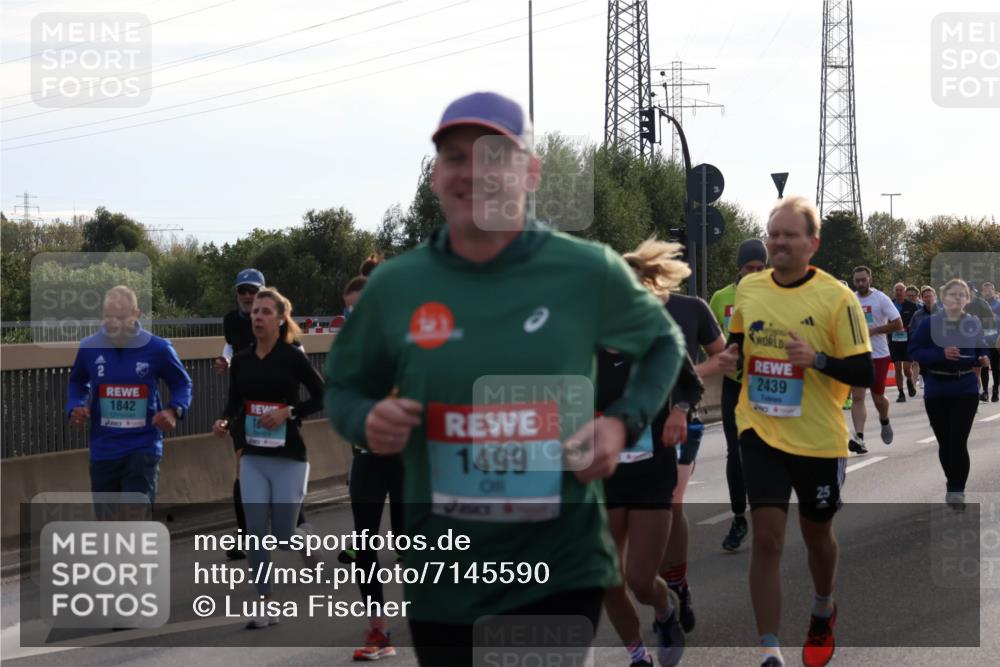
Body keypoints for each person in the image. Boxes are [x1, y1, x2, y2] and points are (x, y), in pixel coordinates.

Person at [324, 91, 686, 666]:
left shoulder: (584, 269)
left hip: (558, 563)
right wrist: (366, 418)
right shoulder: (396, 286)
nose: (472, 172)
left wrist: (622, 422)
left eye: (493, 156)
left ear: (530, 172)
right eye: (454, 157)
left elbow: (664, 343)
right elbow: (342, 387)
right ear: (437, 176)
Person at [718, 196, 873, 667]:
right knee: (767, 538)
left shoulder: (837, 298)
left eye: (789, 235)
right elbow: (738, 344)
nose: (779, 242)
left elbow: (864, 371)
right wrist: (729, 357)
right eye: (773, 234)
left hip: (818, 437)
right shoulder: (749, 290)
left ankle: (823, 608)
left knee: (817, 536)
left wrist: (817, 359)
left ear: (812, 243)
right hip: (759, 427)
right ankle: (770, 650)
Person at [601, 239, 703, 667]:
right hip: (602, 477)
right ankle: (638, 655)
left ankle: (664, 610)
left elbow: (691, 385)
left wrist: (678, 411)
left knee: (641, 580)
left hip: (650, 471)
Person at [212, 287, 324, 629]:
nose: (257, 317)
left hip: (289, 455)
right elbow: (235, 402)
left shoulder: (292, 357)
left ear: (280, 319)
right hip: (254, 456)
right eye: (255, 312)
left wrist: (289, 412)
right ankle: (265, 604)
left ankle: (306, 540)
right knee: (256, 531)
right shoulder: (242, 360)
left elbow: (322, 395)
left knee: (284, 536)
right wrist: (224, 420)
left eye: (265, 312)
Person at [67, 285, 193, 512]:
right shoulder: (89, 347)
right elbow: (77, 382)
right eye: (109, 317)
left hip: (142, 447)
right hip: (103, 450)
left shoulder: (158, 348)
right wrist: (75, 405)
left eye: (121, 317)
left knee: (133, 518)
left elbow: (182, 383)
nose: (114, 324)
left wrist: (174, 410)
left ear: (136, 314)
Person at [214, 268, 309, 560]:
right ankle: (247, 535)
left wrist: (290, 409)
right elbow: (230, 347)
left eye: (252, 291)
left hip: (279, 412)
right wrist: (226, 362)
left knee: (281, 472)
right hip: (247, 412)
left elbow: (301, 359)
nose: (246, 296)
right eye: (242, 291)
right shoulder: (232, 321)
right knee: (243, 472)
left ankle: (297, 526)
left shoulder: (281, 327)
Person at [659, 265, 727, 636]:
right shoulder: (618, 311)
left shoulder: (692, 308)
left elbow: (724, 357)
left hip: (684, 418)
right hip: (636, 425)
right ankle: (659, 588)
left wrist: (689, 377)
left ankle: (677, 584)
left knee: (671, 503)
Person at [908, 279, 990, 510]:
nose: (957, 298)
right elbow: (913, 350)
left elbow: (981, 346)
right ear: (943, 298)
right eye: (952, 294)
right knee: (945, 443)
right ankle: (952, 483)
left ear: (967, 299)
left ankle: (957, 489)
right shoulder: (930, 323)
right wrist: (940, 354)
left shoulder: (973, 322)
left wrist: (983, 357)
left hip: (965, 388)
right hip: (937, 388)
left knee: (958, 441)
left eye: (961, 295)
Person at [709, 239, 767, 552]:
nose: (755, 273)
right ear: (739, 268)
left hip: (766, 384)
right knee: (736, 452)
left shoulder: (776, 294)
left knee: (767, 452)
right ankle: (739, 518)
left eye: (760, 268)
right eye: (749, 268)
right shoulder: (721, 298)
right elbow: (709, 339)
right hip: (734, 385)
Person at [848, 267, 902, 454]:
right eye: (857, 280)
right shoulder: (850, 298)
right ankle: (860, 438)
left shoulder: (881, 298)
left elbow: (898, 323)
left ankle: (884, 419)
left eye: (863, 280)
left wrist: (874, 331)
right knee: (857, 396)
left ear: (870, 279)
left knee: (878, 397)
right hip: (857, 354)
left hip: (878, 354)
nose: (860, 283)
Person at [963, 282, 998, 402]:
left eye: (970, 290)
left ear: (974, 291)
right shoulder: (962, 304)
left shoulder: (981, 303)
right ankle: (981, 393)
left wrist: (979, 322)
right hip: (968, 341)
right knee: (976, 368)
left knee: (987, 367)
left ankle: (991, 391)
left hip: (984, 339)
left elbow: (992, 321)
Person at [889, 282, 919, 402]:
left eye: (901, 290)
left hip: (908, 340)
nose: (898, 292)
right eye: (896, 290)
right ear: (894, 292)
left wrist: (908, 329)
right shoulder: (889, 304)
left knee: (906, 368)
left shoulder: (912, 306)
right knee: (897, 368)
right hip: (894, 340)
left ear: (904, 292)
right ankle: (901, 393)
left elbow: (916, 322)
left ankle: (909, 380)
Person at [981, 282, 1000, 402]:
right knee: (984, 365)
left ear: (993, 291)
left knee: (995, 367)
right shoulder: (979, 304)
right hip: (982, 340)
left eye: (989, 290)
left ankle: (995, 391)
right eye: (985, 290)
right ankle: (985, 392)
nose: (987, 292)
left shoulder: (998, 304)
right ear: (982, 292)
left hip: (995, 339)